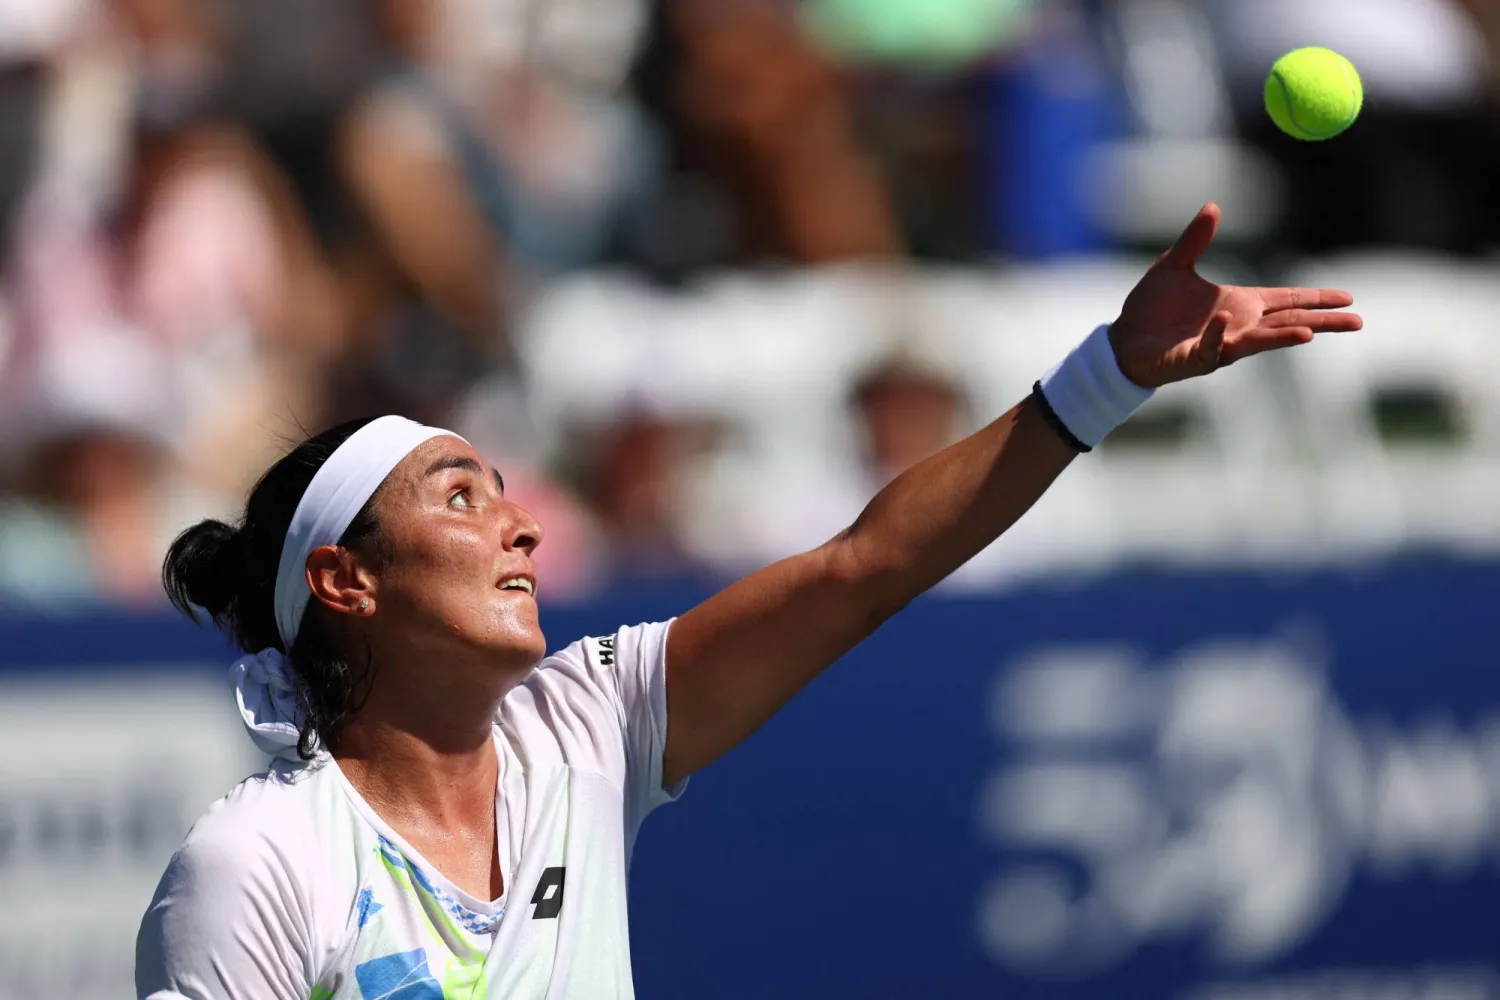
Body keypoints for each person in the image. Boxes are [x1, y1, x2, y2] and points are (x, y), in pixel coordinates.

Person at [135, 203, 1361, 999]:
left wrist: (1108, 377)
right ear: (346, 579)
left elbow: (864, 566)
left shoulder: (585, 727)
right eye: (461, 496)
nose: (521, 524)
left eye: (506, 490)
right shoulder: (260, 861)